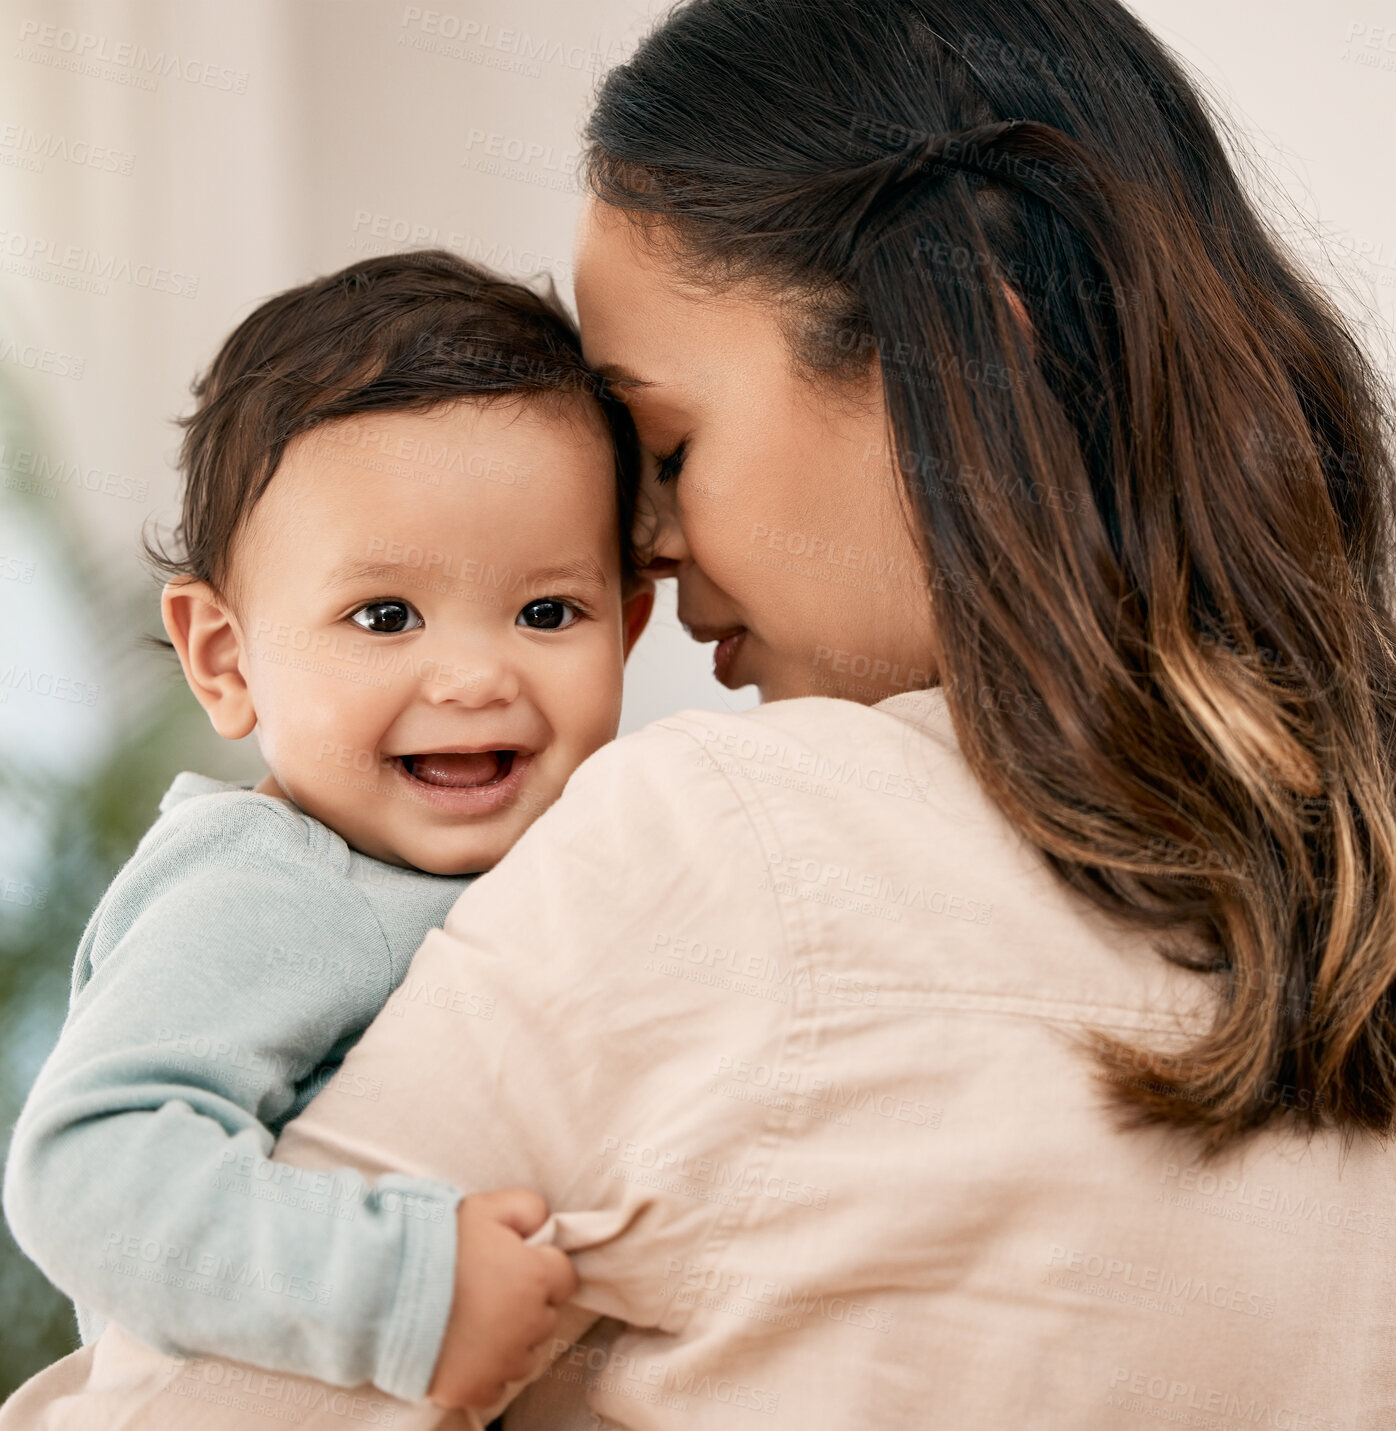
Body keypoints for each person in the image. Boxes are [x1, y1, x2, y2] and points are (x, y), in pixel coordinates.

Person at [5, 0, 1396, 1425]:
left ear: (966, 357)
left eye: (663, 447)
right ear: (219, 649)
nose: (648, 552)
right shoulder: (1348, 903)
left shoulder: (724, 841)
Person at [1, 251, 653, 1411]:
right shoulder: (271, 886)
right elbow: (87, 1170)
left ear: (631, 625)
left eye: (546, 610)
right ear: (224, 656)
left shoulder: (585, 851)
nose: (471, 675)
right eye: (384, 615)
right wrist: (404, 1289)